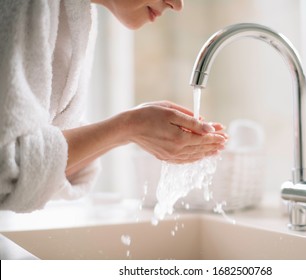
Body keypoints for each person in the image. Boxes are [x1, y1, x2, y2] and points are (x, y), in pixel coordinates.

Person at [0, 0, 227, 213]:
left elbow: (37, 170)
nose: (177, 4)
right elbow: (7, 167)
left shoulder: (74, 16)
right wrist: (130, 126)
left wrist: (132, 129)